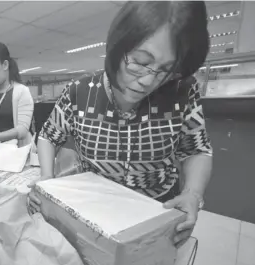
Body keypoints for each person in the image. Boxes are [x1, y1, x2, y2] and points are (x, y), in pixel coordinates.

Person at [29, 1, 213, 246]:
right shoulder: (79, 92)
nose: (149, 81)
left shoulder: (181, 90)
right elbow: (49, 136)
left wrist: (192, 194)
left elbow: (197, 149)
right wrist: (46, 178)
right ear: (118, 45)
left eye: (166, 70)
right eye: (140, 61)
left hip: (155, 219)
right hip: (92, 218)